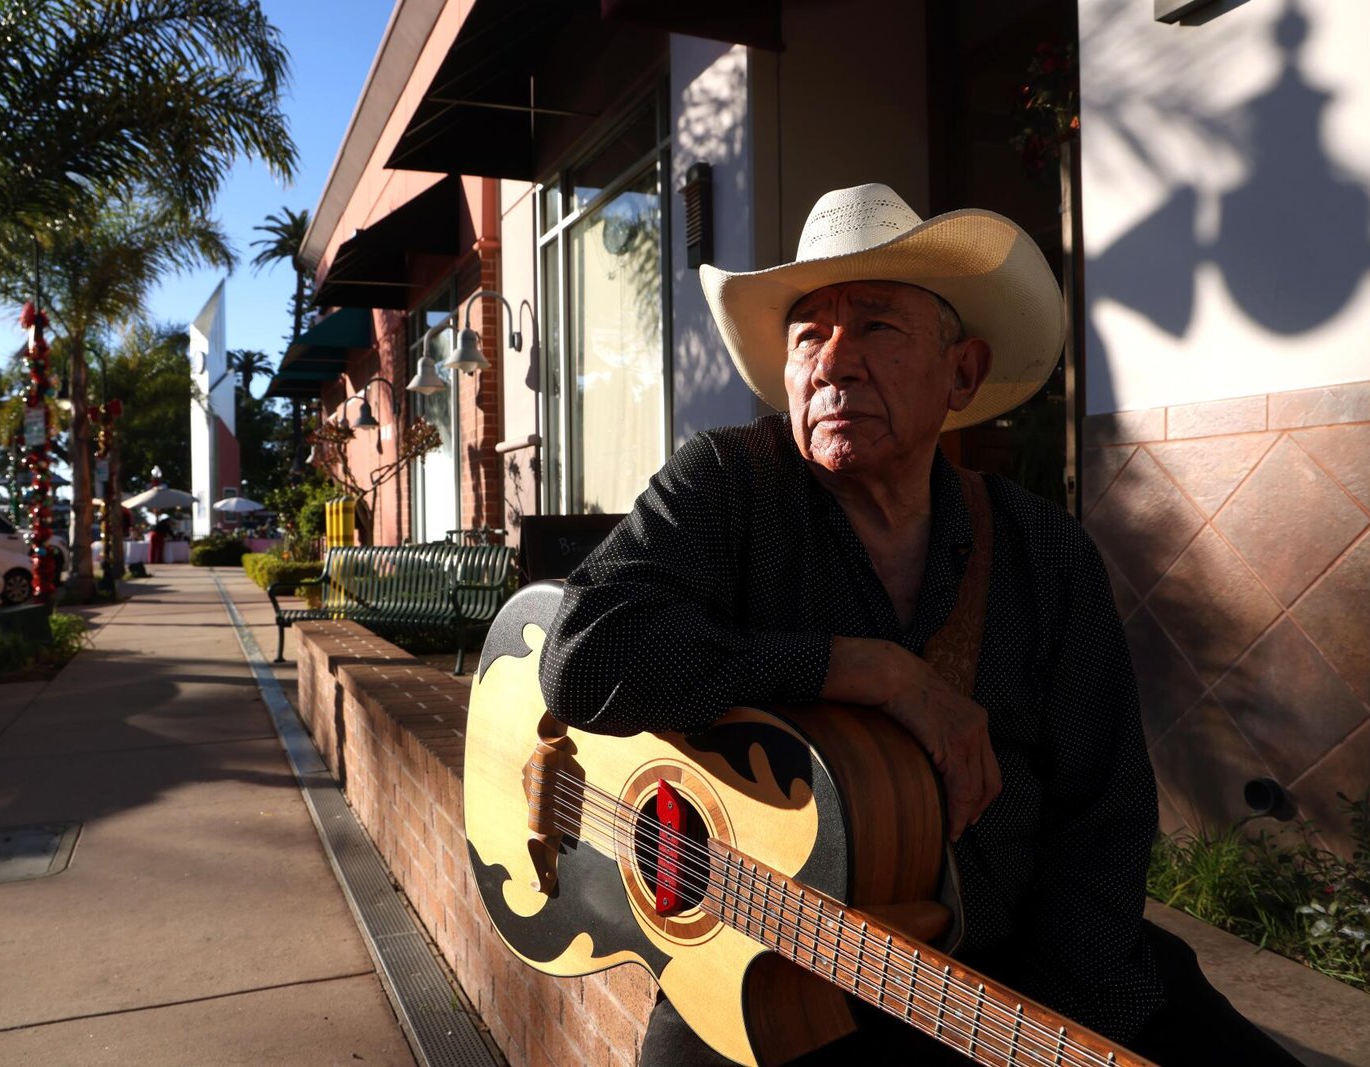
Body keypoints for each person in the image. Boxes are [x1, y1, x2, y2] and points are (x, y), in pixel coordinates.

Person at [536, 184, 1302, 1067]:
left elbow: (1106, 816)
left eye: (876, 327)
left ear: (962, 374)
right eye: (808, 333)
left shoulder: (1045, 552)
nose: (833, 361)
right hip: (762, 956)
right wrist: (859, 668)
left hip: (1008, 966)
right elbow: (583, 657)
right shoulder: (728, 486)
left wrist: (1054, 1020)